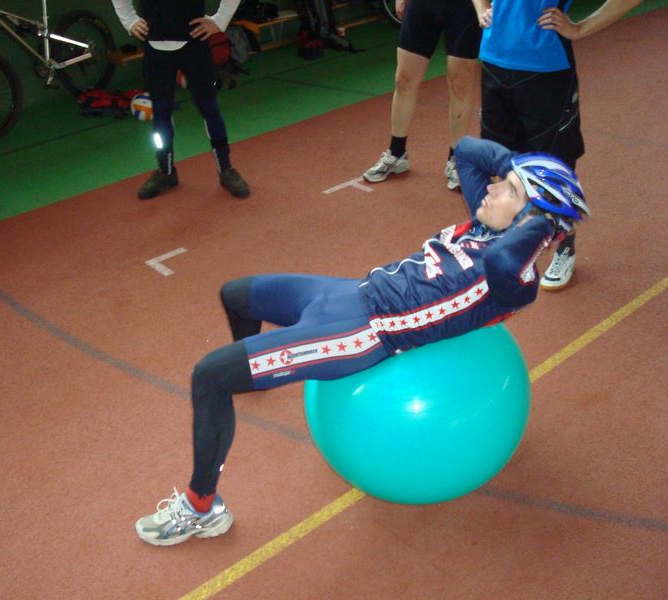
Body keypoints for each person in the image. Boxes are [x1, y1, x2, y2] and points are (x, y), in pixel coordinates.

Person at [133, 136, 590, 546]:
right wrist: (514, 169)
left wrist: (543, 224)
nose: (492, 188)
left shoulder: (515, 282)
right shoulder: (485, 223)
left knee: (209, 377)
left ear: (531, 222)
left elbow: (505, 258)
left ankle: (201, 509)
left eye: (509, 191)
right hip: (346, 294)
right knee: (235, 295)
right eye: (502, 181)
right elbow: (468, 150)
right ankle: (252, 374)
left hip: (360, 334)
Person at [470, 0, 642, 290]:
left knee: (552, 169)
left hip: (546, 68)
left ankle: (565, 245)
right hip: (494, 62)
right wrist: (481, 8)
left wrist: (581, 28)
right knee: (503, 164)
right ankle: (512, 243)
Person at [111, 0, 251, 200]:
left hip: (194, 47)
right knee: (161, 113)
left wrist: (220, 20)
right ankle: (166, 171)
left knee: (209, 108)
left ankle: (226, 169)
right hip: (156, 51)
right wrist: (129, 20)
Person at [363, 0, 481, 190]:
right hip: (423, 5)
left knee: (460, 84)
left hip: (464, 7)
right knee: (404, 79)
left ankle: (457, 159)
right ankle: (396, 153)